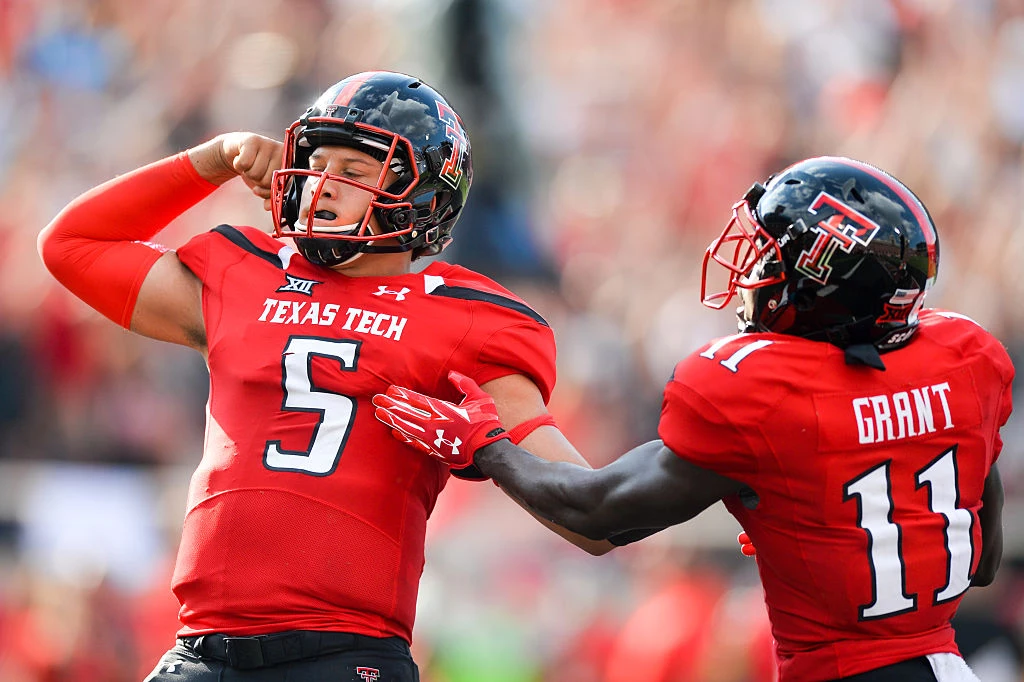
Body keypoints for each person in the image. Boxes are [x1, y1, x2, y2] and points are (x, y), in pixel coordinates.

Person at [37, 70, 616, 682]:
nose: (321, 185)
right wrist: (208, 161)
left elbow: (592, 519)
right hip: (201, 651)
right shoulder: (245, 271)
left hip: (344, 656)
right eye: (318, 162)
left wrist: (491, 452)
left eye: (355, 172)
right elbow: (70, 245)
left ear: (421, 194)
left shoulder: (466, 318)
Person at [372, 156, 1014, 682]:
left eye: (769, 259)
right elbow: (981, 559)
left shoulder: (762, 388)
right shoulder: (965, 359)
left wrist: (486, 446)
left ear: (820, 281)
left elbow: (599, 512)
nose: (754, 274)